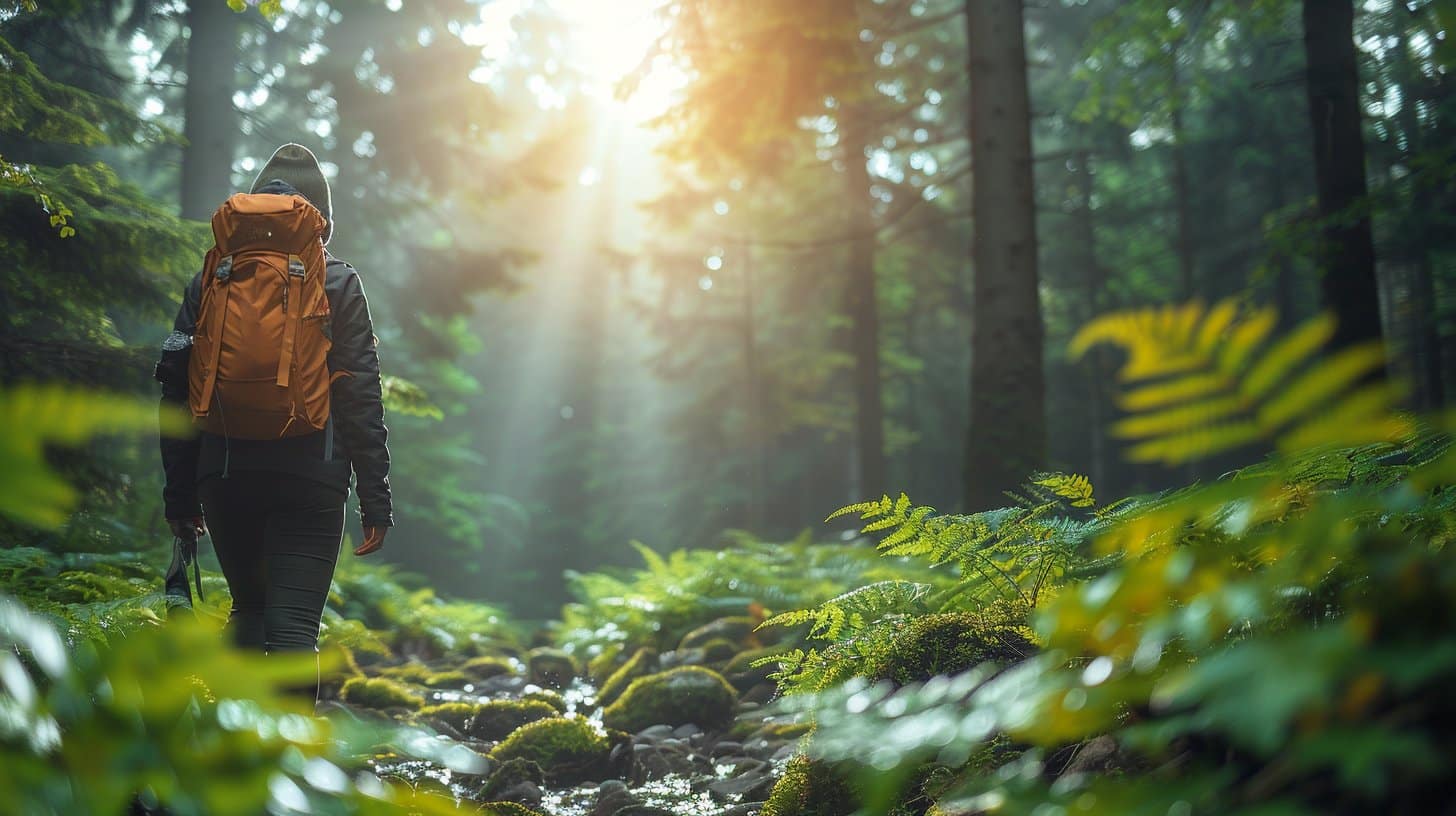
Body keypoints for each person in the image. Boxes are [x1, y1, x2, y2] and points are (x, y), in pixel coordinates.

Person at [157, 143, 393, 699]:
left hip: (226, 470)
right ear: (319, 218)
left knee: (248, 613)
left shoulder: (211, 279)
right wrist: (376, 499)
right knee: (292, 630)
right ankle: (287, 776)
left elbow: (175, 387)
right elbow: (360, 394)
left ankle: (233, 770)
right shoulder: (337, 281)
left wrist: (180, 495)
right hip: (312, 476)